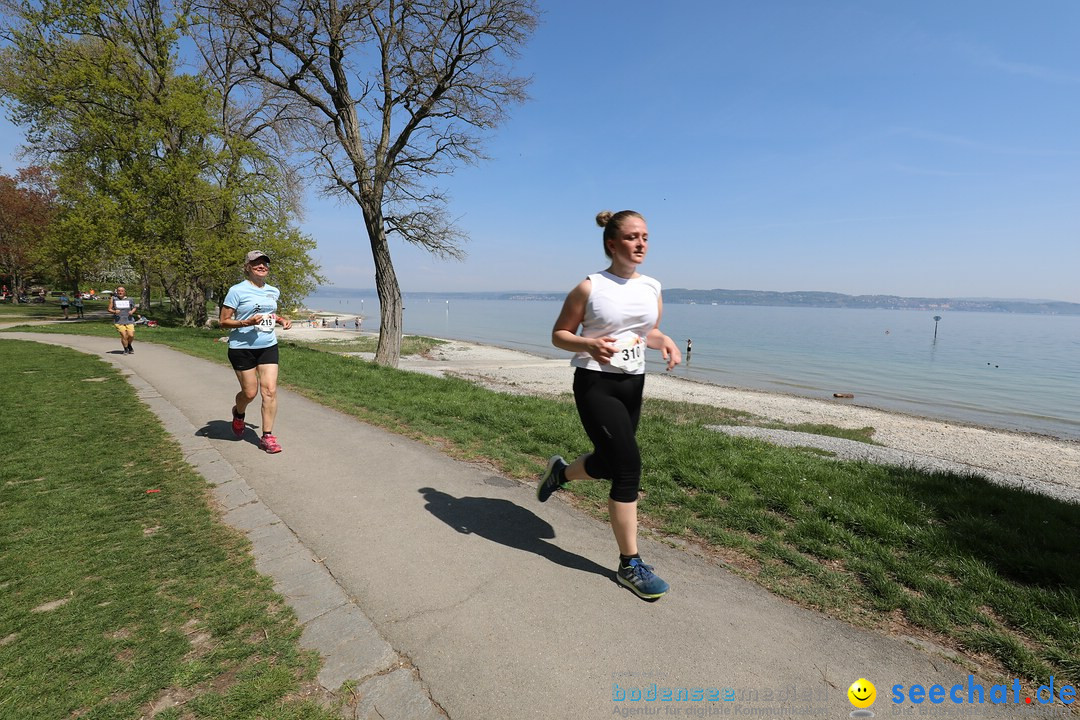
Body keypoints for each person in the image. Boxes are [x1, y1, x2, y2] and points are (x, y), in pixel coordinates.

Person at [537, 210, 681, 600]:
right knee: (628, 467)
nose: (641, 245)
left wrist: (663, 340)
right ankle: (629, 563)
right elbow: (559, 335)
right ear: (612, 243)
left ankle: (561, 475)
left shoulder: (652, 285)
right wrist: (587, 343)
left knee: (609, 461)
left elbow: (644, 331)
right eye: (633, 237)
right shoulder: (590, 287)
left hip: (633, 384)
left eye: (646, 237)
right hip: (595, 384)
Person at [219, 250, 292, 454]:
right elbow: (223, 321)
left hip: (267, 345)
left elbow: (269, 313)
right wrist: (246, 322)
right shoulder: (237, 290)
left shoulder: (273, 291)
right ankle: (238, 412)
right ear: (248, 267)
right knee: (250, 393)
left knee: (269, 390)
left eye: (265, 264)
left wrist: (281, 319)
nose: (262, 267)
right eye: (257, 263)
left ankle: (267, 436)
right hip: (242, 348)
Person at [108, 286, 138, 354]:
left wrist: (132, 312)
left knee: (131, 335)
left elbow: (134, 307)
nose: (120, 292)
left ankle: (129, 344)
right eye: (119, 291)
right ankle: (126, 349)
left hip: (129, 320)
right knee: (124, 335)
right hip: (119, 320)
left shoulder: (130, 299)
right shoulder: (114, 299)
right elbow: (109, 309)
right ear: (117, 292)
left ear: (125, 292)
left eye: (122, 291)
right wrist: (114, 311)